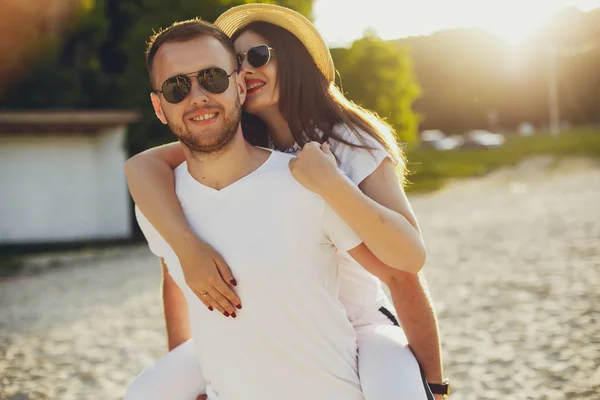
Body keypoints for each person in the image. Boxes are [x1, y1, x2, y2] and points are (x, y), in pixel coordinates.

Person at [125, 4, 449, 400]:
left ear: (293, 59)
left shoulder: (347, 143)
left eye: (258, 56)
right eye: (237, 62)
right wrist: (186, 247)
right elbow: (143, 167)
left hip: (360, 324)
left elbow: (406, 265)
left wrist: (434, 383)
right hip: (269, 325)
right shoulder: (240, 141)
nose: (246, 70)